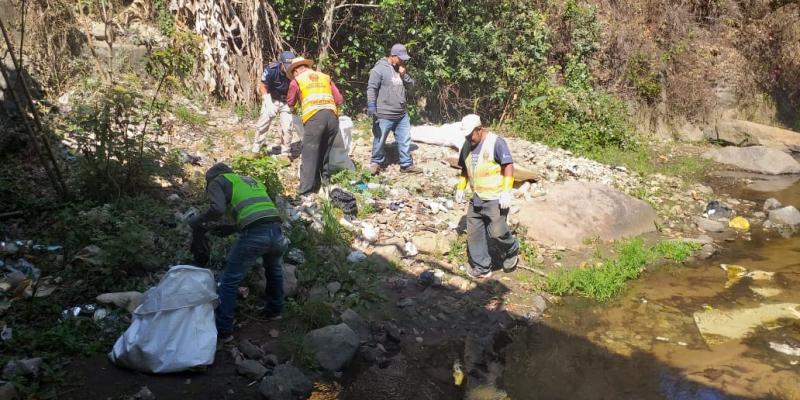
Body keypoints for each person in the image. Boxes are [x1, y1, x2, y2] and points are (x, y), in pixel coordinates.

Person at [189, 163, 288, 342]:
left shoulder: (217, 181)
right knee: (274, 271)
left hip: (255, 235)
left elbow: (217, 209)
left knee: (229, 281)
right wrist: (234, 228)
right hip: (277, 231)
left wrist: (198, 220)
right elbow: (259, 211)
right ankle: (275, 311)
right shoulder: (250, 180)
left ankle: (224, 331)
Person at [454, 114, 519, 278]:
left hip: (495, 197)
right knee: (474, 232)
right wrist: (461, 188)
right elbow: (465, 169)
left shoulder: (495, 142)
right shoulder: (467, 145)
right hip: (476, 197)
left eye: (471, 135)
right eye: (466, 136)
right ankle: (482, 267)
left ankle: (511, 249)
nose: (469, 138)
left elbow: (508, 165)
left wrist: (506, 191)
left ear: (479, 129)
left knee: (497, 231)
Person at [285, 56, 345, 196]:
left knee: (309, 152)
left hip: (314, 117)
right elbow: (339, 99)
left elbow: (290, 101)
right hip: (332, 117)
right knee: (325, 151)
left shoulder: (297, 81)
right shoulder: (325, 77)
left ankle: (305, 189)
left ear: (296, 71)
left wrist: (294, 109)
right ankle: (324, 183)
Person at [366, 43, 421, 175]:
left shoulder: (400, 69)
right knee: (379, 140)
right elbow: (371, 88)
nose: (403, 61)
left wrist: (404, 75)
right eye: (401, 58)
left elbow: (411, 86)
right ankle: (376, 163)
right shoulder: (379, 69)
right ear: (393, 56)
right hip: (384, 113)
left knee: (405, 139)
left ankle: (406, 164)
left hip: (401, 113)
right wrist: (371, 105)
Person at [252, 50, 304, 156]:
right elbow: (263, 86)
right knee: (263, 123)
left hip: (287, 102)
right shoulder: (271, 69)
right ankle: (256, 149)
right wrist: (267, 101)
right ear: (281, 63)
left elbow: (300, 89)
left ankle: (285, 153)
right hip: (272, 99)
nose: (289, 69)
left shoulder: (296, 72)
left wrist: (294, 105)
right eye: (287, 66)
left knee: (287, 126)